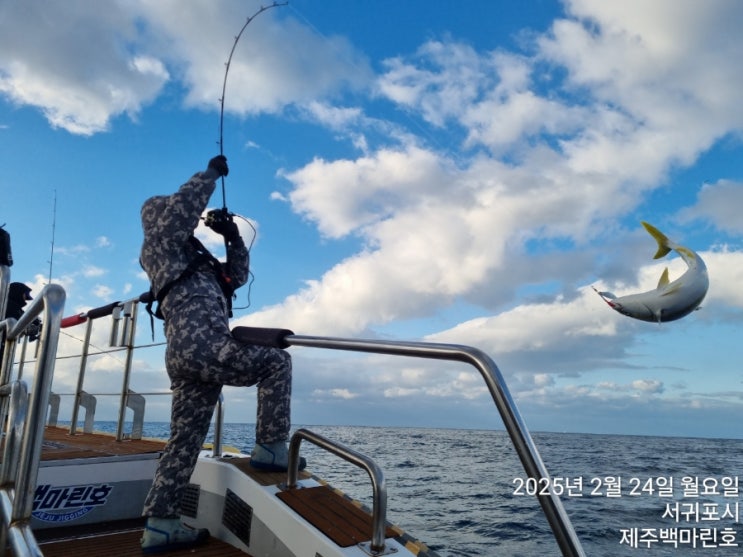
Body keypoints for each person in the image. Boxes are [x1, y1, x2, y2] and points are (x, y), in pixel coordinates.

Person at [139, 155, 303, 554]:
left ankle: (160, 526)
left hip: (188, 356)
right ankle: (271, 448)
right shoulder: (159, 244)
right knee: (277, 361)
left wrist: (231, 235)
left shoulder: (194, 258)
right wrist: (210, 174)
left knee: (184, 440)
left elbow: (238, 277)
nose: (185, 216)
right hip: (203, 346)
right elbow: (180, 212)